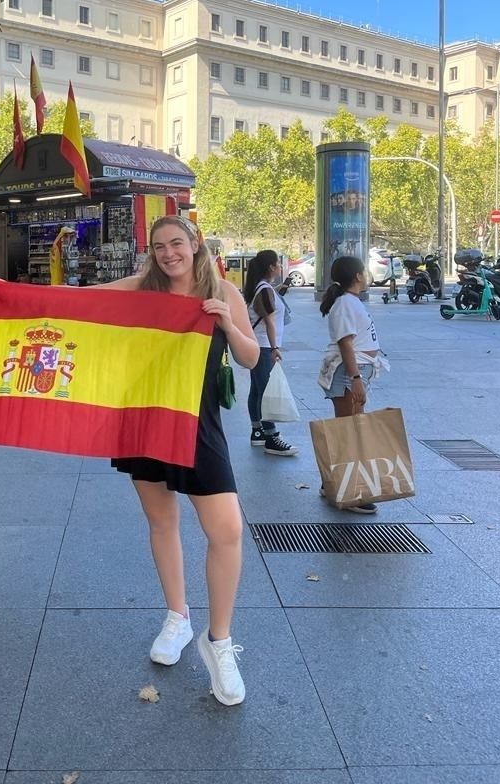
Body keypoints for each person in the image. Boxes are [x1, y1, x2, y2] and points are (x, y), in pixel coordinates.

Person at [93, 215, 259, 706]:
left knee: (226, 530)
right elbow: (85, 300)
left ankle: (220, 642)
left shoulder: (223, 291)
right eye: (159, 246)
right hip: (143, 417)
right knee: (161, 521)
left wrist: (227, 322)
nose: (168, 254)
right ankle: (177, 618)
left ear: (195, 244)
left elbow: (252, 358)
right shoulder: (142, 288)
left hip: (197, 424)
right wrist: (7, 294)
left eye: (176, 244)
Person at [317, 255, 390, 515]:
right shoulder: (346, 303)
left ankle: (333, 483)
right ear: (358, 276)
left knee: (348, 430)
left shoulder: (349, 302)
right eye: (364, 271)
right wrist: (356, 378)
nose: (367, 275)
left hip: (357, 372)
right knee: (349, 432)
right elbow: (345, 343)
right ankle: (349, 491)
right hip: (350, 374)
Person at [242, 250, 298, 456]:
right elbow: (270, 322)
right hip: (264, 346)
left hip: (256, 345)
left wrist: (279, 291)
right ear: (271, 267)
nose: (280, 267)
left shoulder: (259, 288)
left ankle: (257, 431)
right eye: (278, 264)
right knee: (266, 391)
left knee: (257, 389)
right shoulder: (264, 290)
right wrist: (275, 348)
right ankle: (271, 436)